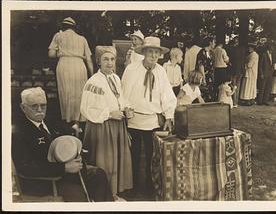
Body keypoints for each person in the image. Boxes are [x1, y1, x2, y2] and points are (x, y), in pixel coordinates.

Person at [12, 87, 113, 202]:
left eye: (43, 105)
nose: (40, 110)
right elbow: (25, 168)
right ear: (23, 107)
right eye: (34, 106)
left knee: (98, 174)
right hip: (45, 181)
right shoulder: (18, 133)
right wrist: (63, 168)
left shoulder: (49, 121)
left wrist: (76, 153)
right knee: (77, 194)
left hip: (65, 174)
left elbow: (64, 140)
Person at [121, 36, 177, 197]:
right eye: (150, 52)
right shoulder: (131, 69)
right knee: (134, 156)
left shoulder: (160, 71)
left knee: (154, 156)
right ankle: (132, 189)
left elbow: (167, 95)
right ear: (144, 52)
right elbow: (123, 93)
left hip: (153, 120)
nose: (153, 56)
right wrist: (126, 110)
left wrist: (168, 116)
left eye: (156, 53)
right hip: (134, 120)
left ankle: (150, 189)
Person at [80, 46, 133, 201]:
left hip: (117, 125)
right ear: (98, 61)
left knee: (116, 161)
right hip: (102, 127)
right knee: (106, 162)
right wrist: (109, 114)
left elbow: (119, 98)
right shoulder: (94, 82)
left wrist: (126, 108)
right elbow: (87, 108)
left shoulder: (115, 78)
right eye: (106, 59)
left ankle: (114, 193)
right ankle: (104, 195)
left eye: (112, 59)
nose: (110, 63)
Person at [48, 17, 93, 133]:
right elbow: (88, 59)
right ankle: (77, 123)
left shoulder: (58, 36)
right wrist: (92, 75)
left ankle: (68, 122)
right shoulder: (82, 39)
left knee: (66, 92)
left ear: (63, 26)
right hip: (79, 65)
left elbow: (51, 54)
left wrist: (61, 51)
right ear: (74, 27)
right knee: (79, 93)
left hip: (64, 64)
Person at [227, 37, 246, 107]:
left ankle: (234, 102)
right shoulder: (242, 49)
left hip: (233, 70)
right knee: (237, 86)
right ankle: (236, 102)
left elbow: (230, 60)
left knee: (233, 86)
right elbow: (243, 60)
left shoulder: (232, 49)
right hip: (240, 70)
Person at [195, 37, 216, 102]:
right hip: (203, 76)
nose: (215, 44)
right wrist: (203, 78)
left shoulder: (210, 52)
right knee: (204, 93)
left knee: (210, 93)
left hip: (210, 76)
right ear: (210, 43)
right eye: (214, 42)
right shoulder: (202, 52)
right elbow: (201, 66)